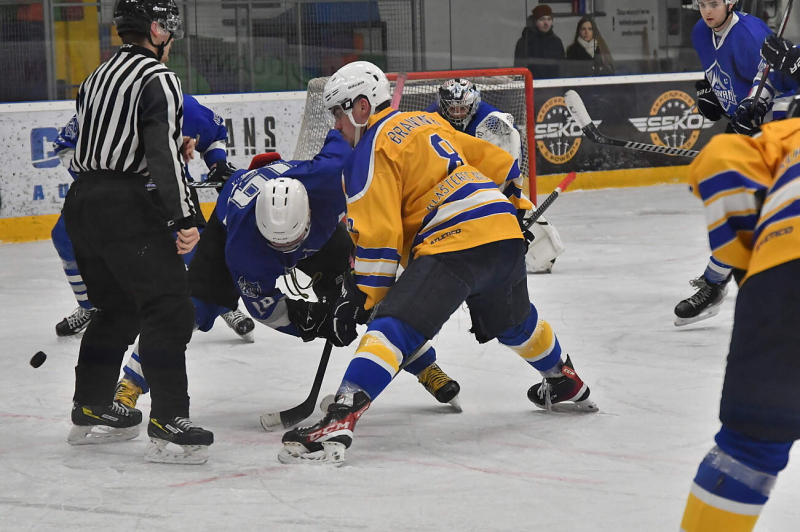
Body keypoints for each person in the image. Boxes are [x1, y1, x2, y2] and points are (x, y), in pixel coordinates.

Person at [278, 61, 597, 467]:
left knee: (394, 325)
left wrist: (359, 297)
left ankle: (339, 419)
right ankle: (565, 381)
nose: (336, 125)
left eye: (338, 113)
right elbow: (497, 161)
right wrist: (515, 203)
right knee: (514, 322)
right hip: (501, 226)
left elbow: (380, 237)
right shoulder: (425, 121)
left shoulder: (368, 152)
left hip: (454, 239)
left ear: (361, 107)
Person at [116, 131, 463, 415]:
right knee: (193, 308)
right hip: (230, 223)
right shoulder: (246, 251)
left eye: (293, 243)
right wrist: (311, 323)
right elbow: (266, 309)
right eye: (277, 246)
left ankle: (426, 366)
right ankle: (131, 381)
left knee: (370, 293)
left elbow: (343, 137)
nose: (287, 255)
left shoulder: (329, 182)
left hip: (317, 232)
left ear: (309, 215)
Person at [61, 0, 213, 465]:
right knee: (169, 307)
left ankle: (91, 406)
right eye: (169, 28)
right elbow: (161, 157)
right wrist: (186, 218)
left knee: (116, 308)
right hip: (123, 207)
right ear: (156, 30)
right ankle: (169, 418)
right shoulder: (158, 77)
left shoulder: (97, 75)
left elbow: (114, 146)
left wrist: (167, 148)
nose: (172, 38)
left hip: (82, 203)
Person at [679, 95, 800, 532]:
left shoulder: (788, 134)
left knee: (748, 449)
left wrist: (751, 268)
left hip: (788, 269)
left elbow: (719, 161)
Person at [51, 96, 255, 341]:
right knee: (64, 235)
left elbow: (215, 135)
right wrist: (95, 180)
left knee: (195, 248)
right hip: (113, 196)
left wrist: (217, 163)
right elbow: (66, 145)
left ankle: (222, 304)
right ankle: (89, 306)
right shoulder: (104, 107)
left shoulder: (182, 106)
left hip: (169, 191)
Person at [675, 0, 798, 326]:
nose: (707, 10)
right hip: (750, 124)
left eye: (714, 3)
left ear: (730, 2)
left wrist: (758, 115)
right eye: (702, 4)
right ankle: (716, 282)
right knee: (735, 205)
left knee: (762, 210)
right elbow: (731, 72)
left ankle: (721, 282)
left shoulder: (749, 35)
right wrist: (714, 94)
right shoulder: (701, 31)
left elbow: (781, 86)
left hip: (776, 128)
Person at [426, 78, 565, 273]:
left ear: (473, 105)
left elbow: (510, 159)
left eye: (462, 108)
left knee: (508, 207)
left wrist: (500, 189)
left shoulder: (493, 121)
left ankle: (538, 251)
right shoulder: (429, 118)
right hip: (448, 180)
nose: (457, 114)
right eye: (452, 109)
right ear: (442, 106)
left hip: (484, 176)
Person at [513, 4, 565, 80]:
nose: (546, 23)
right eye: (542, 19)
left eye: (549, 19)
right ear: (535, 21)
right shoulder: (525, 42)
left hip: (554, 83)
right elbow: (520, 68)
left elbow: (563, 66)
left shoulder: (557, 42)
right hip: (532, 84)